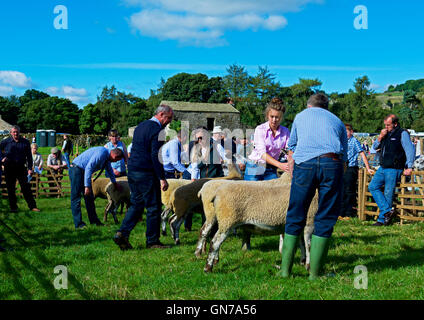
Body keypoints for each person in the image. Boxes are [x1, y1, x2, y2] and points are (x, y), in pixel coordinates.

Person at [280, 93, 347, 280]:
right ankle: (315, 274)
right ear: (326, 107)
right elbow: (344, 155)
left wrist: (295, 169)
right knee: (325, 216)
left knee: (295, 213)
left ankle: (285, 271)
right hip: (331, 163)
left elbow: (291, 145)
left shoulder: (300, 116)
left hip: (305, 165)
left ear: (309, 106)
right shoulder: (337, 120)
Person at [113, 105, 174, 250]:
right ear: (161, 114)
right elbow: (155, 155)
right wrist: (162, 177)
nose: (169, 122)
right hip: (146, 172)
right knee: (153, 207)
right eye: (168, 118)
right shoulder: (157, 130)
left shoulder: (141, 126)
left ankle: (122, 233)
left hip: (133, 170)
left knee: (137, 204)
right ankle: (152, 241)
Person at [368, 114, 415, 227]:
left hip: (394, 168)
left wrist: (409, 166)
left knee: (388, 193)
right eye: (385, 125)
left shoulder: (402, 133)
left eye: (388, 125)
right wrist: (380, 137)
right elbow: (374, 148)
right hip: (383, 167)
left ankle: (382, 220)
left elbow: (409, 150)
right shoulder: (385, 134)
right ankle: (387, 211)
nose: (386, 127)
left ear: (395, 124)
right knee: (372, 186)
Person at [69, 146, 124, 229]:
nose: (116, 162)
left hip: (82, 171)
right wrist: (87, 186)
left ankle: (94, 221)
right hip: (77, 169)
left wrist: (115, 184)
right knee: (76, 198)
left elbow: (109, 170)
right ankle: (79, 224)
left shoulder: (106, 157)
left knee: (89, 198)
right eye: (117, 160)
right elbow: (89, 168)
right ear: (115, 156)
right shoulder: (101, 154)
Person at [244, 98, 290, 181]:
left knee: (274, 192)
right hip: (254, 167)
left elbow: (289, 150)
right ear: (267, 115)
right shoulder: (260, 129)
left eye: (277, 117)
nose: (274, 120)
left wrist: (291, 161)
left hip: (271, 168)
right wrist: (280, 165)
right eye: (272, 116)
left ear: (281, 117)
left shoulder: (286, 131)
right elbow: (262, 154)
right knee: (252, 193)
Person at [0, 125, 40, 213]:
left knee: (26, 188)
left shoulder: (25, 142)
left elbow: (29, 157)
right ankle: (13, 207)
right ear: (11, 133)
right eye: (13, 132)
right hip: (9, 168)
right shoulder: (5, 142)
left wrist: (30, 168)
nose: (15, 134)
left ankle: (32, 206)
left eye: (17, 132)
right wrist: (1, 158)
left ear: (19, 132)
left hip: (21, 168)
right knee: (10, 189)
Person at [340, 124, 375, 219]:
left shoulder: (354, 141)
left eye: (346, 132)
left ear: (351, 132)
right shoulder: (341, 141)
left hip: (351, 167)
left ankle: (349, 212)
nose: (344, 133)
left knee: (349, 190)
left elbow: (362, 154)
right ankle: (341, 212)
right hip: (342, 167)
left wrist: (367, 168)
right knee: (341, 189)